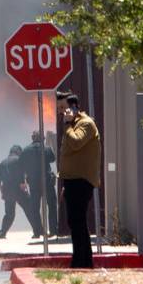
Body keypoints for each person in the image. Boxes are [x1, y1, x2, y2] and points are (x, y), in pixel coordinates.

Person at [57, 92, 101, 269]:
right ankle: (83, 261)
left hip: (81, 181)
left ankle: (80, 262)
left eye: (63, 108)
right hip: (72, 181)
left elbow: (76, 143)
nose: (61, 112)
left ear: (74, 107)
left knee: (77, 221)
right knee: (75, 222)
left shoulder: (86, 124)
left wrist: (68, 124)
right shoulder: (73, 125)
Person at [0, 145, 42, 239]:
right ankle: (37, 232)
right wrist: (23, 186)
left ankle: (2, 233)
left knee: (9, 214)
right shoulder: (19, 160)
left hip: (7, 191)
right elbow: (21, 174)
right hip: (19, 190)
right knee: (30, 210)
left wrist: (2, 191)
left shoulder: (2, 163)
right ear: (18, 152)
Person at [20, 130, 58, 236]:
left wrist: (23, 181)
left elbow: (21, 166)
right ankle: (53, 230)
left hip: (34, 183)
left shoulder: (26, 150)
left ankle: (38, 232)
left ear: (32, 138)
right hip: (48, 182)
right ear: (42, 138)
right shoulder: (47, 148)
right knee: (52, 206)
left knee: (34, 208)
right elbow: (53, 159)